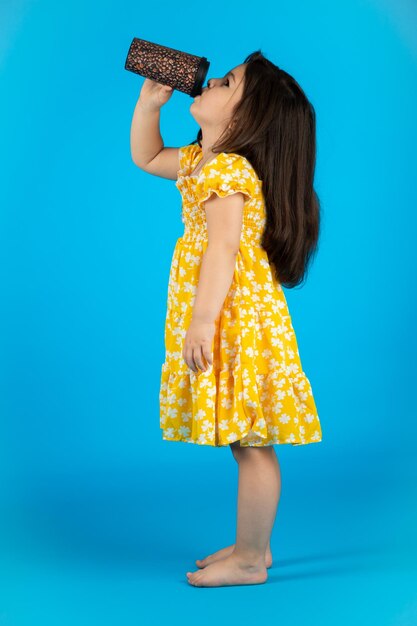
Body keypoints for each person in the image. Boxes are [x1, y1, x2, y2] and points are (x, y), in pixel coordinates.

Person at [130, 50, 323, 587]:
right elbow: (147, 159)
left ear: (243, 119)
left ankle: (249, 558)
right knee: (248, 444)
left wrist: (202, 322)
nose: (210, 80)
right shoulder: (200, 162)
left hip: (235, 322)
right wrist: (150, 105)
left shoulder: (230, 170)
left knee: (253, 446)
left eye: (228, 81)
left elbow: (222, 249)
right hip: (226, 318)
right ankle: (251, 549)